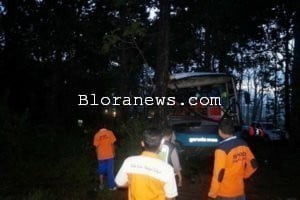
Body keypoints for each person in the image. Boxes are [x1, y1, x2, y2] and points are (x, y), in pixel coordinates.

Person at [115, 128, 178, 200]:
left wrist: (133, 182)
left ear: (142, 143)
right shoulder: (167, 169)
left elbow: (119, 183)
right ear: (161, 146)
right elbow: (171, 197)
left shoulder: (129, 161)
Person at [208, 117, 258, 200]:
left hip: (225, 193)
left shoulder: (221, 149)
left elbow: (218, 174)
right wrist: (244, 175)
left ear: (219, 131)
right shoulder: (243, 144)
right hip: (240, 191)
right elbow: (254, 164)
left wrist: (212, 194)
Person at [93, 122, 117, 190]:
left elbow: (96, 147)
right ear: (105, 126)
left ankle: (101, 185)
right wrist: (114, 152)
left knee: (101, 171)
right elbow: (112, 144)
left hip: (101, 157)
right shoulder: (110, 133)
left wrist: (98, 155)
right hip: (109, 155)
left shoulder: (96, 135)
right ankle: (111, 187)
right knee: (110, 171)